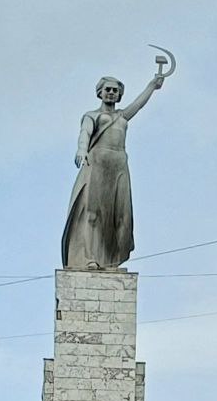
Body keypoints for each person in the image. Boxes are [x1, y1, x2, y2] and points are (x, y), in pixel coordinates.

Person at [62, 72, 164, 271]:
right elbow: (85, 133)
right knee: (93, 213)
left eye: (115, 91)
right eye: (108, 89)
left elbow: (139, 104)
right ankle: (90, 257)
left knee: (121, 216)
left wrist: (152, 85)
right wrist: (82, 149)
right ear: (100, 93)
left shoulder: (122, 116)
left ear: (119, 95)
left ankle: (112, 259)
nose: (111, 93)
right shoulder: (92, 116)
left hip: (119, 164)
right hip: (97, 162)